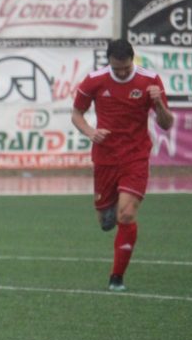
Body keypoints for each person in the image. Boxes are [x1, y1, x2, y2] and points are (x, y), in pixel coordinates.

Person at [72, 39, 174, 292]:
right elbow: (76, 114)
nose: (121, 73)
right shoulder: (94, 80)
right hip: (106, 158)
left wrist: (158, 103)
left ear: (132, 60)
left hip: (135, 157)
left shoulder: (149, 80)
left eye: (126, 68)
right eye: (116, 69)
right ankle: (114, 205)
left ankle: (116, 278)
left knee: (126, 215)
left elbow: (167, 123)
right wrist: (90, 132)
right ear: (109, 61)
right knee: (106, 222)